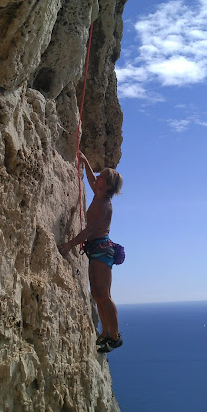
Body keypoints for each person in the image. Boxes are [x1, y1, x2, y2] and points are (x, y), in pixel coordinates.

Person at [58, 151, 124, 353]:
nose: (97, 178)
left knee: (104, 294)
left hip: (102, 250)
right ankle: (105, 333)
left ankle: (114, 336)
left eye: (102, 177)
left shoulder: (103, 206)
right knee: (96, 294)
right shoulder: (99, 193)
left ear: (107, 185)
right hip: (96, 249)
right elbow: (90, 178)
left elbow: (89, 231)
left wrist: (69, 244)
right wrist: (85, 161)